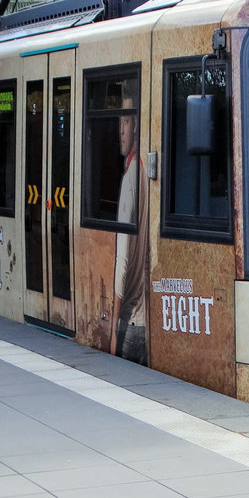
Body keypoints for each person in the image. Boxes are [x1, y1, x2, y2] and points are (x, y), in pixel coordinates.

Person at [112, 98, 149, 365]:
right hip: (148, 320)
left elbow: (122, 259)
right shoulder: (147, 169)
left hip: (132, 323)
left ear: (136, 125)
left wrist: (113, 328)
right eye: (119, 122)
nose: (121, 130)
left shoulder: (130, 179)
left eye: (126, 121)